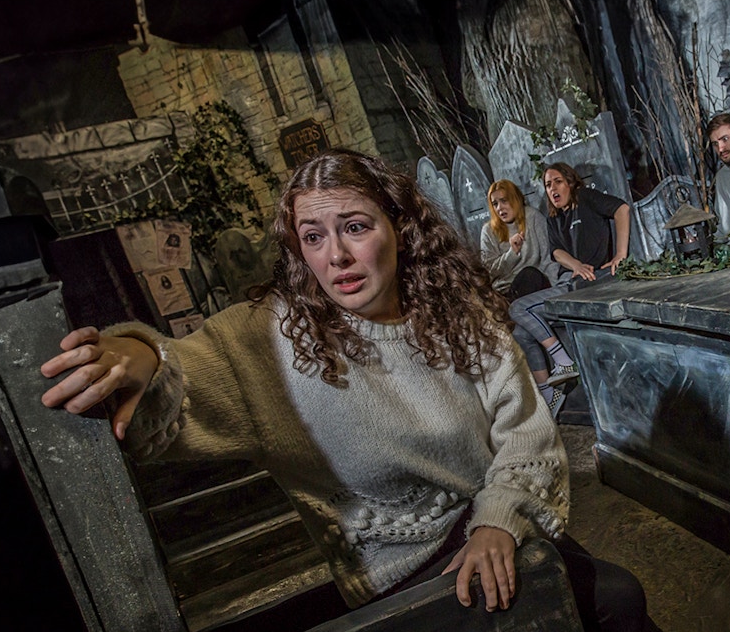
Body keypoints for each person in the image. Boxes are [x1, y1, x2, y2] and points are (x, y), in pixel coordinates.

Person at [39, 149, 652, 631]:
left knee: (621, 598)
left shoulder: (456, 312)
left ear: (399, 228)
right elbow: (192, 369)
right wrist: (141, 355)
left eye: (354, 227)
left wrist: (499, 519)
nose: (335, 256)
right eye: (313, 237)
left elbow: (524, 429)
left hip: (494, 520)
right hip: (405, 571)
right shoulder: (272, 338)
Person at [507, 163, 630, 415]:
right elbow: (556, 252)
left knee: (518, 308)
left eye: (558, 181)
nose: (552, 188)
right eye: (547, 185)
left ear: (570, 183)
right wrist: (575, 264)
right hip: (569, 282)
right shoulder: (554, 217)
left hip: (592, 282)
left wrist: (620, 255)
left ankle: (564, 362)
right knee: (520, 332)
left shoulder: (585, 197)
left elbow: (622, 209)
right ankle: (549, 394)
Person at [480, 179, 560, 300]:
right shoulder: (488, 231)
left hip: (535, 284)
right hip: (505, 291)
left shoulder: (533, 217)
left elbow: (548, 257)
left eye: (504, 201)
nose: (499, 208)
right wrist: (512, 253)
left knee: (530, 275)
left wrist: (556, 292)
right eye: (495, 204)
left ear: (515, 199)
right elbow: (489, 272)